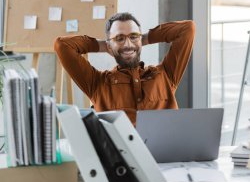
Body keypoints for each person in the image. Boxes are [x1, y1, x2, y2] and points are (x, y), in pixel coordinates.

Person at [54, 12, 195, 125]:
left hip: (166, 158)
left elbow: (187, 29)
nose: (128, 44)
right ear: (109, 45)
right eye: (120, 38)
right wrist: (106, 45)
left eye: (133, 36)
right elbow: (62, 46)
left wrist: (142, 40)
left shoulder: (166, 75)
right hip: (121, 159)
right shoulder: (97, 83)